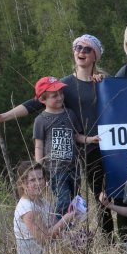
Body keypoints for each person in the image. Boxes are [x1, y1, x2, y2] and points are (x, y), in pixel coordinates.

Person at [0, 34, 114, 233]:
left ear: (95, 56)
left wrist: (103, 81)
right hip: (69, 153)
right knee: (69, 198)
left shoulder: (103, 82)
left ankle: (110, 239)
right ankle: (60, 235)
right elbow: (33, 104)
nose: (81, 51)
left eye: (87, 49)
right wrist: (3, 116)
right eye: (78, 47)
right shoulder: (63, 85)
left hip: (97, 146)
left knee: (102, 194)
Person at [32, 76, 99, 216]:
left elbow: (76, 136)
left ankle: (69, 232)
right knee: (63, 200)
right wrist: (39, 169)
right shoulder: (40, 120)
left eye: (61, 93)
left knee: (75, 201)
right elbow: (38, 146)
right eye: (54, 95)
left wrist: (90, 139)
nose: (60, 97)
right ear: (43, 99)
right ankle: (55, 229)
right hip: (54, 169)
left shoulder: (70, 114)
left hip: (73, 167)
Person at [12, 161, 77, 254]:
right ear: (23, 183)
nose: (38, 183)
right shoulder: (27, 208)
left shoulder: (42, 202)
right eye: (32, 180)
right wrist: (65, 219)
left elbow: (54, 228)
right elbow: (45, 238)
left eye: (40, 178)